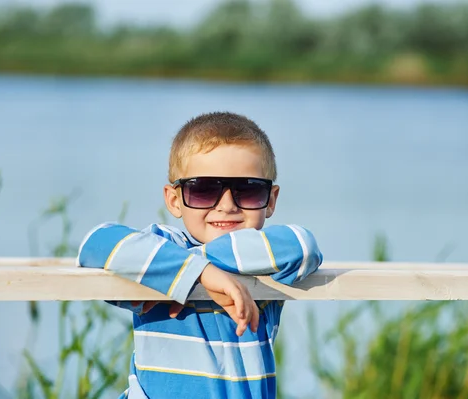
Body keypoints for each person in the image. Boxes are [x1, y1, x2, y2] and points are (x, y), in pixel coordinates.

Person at [77, 111, 323, 399]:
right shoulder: (165, 243)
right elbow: (95, 243)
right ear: (174, 199)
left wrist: (189, 266)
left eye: (248, 190)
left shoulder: (162, 257)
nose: (228, 205)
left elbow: (303, 247)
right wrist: (200, 273)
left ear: (270, 200)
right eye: (204, 190)